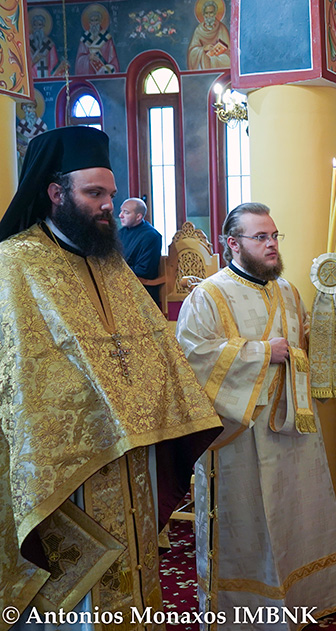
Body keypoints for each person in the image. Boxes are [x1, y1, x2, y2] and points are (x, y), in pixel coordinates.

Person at [0, 126, 220, 627]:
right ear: (56, 193)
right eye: (93, 193)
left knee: (136, 570)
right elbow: (15, 376)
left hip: (131, 455)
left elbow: (153, 347)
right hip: (66, 469)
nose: (106, 206)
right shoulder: (15, 265)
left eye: (111, 195)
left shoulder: (111, 262)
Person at [176, 203, 336, 623]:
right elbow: (191, 356)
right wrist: (260, 353)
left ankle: (306, 599)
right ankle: (251, 614)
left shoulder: (288, 291)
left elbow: (302, 342)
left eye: (275, 236)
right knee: (252, 525)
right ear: (233, 243)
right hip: (240, 437)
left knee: (297, 514)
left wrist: (326, 319)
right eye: (261, 237)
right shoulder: (209, 295)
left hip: (292, 431)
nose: (272, 245)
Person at [118, 197, 163, 304]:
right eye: (121, 211)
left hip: (141, 291)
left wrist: (115, 270)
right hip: (121, 284)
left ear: (138, 216)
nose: (120, 215)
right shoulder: (121, 233)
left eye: (126, 212)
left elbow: (144, 271)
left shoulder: (151, 236)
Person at [74, 5, 119, 75]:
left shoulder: (107, 38)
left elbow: (113, 60)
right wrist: (88, 57)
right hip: (89, 75)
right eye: (92, 20)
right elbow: (79, 61)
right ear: (89, 23)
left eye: (96, 20)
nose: (94, 23)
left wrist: (108, 68)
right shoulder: (84, 39)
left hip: (104, 77)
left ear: (100, 21)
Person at [187, 0, 231, 70]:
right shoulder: (199, 30)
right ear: (203, 14)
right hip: (204, 58)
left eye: (211, 13)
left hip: (218, 58)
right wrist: (204, 48)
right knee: (204, 57)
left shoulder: (221, 28)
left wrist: (216, 52)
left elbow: (229, 50)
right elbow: (192, 51)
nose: (209, 16)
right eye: (206, 13)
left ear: (215, 13)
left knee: (226, 59)